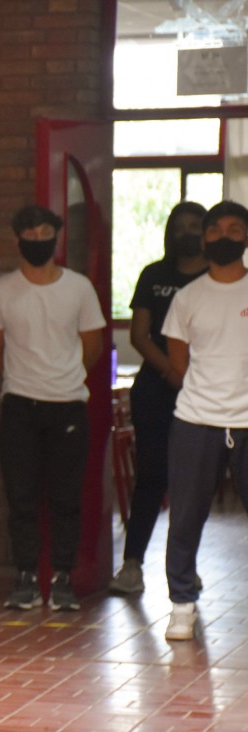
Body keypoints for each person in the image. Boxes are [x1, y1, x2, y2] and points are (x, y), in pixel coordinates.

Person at [0, 204, 106, 613]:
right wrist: (24, 380)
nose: (37, 241)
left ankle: (63, 578)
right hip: (19, 406)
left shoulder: (79, 288)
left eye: (45, 233)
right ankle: (26, 578)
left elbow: (93, 347)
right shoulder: (1, 291)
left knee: (67, 497)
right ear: (18, 240)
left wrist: (62, 378)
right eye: (29, 235)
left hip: (68, 405)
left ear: (57, 237)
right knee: (22, 498)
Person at [160, 199, 248, 641]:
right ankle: (182, 602)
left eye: (235, 229)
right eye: (215, 230)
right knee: (186, 516)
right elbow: (180, 364)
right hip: (196, 421)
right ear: (203, 237)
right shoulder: (187, 297)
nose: (224, 237)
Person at [110, 202, 207, 594]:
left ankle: (186, 568)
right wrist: (171, 370)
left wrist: (191, 377)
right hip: (156, 388)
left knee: (193, 483)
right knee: (150, 476)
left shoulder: (217, 278)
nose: (187, 233)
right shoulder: (154, 274)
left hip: (204, 392)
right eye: (179, 226)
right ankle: (132, 564)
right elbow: (139, 334)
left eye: (195, 226)